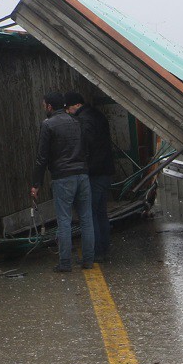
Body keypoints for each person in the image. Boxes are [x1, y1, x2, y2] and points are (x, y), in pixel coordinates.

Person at [30, 93, 92, 272]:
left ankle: (65, 263)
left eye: (44, 105)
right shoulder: (77, 121)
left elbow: (41, 157)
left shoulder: (48, 125)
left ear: (49, 107)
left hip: (63, 177)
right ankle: (88, 260)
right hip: (82, 175)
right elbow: (86, 148)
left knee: (64, 220)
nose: (44, 108)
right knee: (86, 219)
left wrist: (36, 184)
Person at [66, 92, 116, 264]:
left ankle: (96, 252)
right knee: (101, 212)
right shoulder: (98, 115)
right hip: (106, 170)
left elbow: (86, 144)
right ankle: (105, 249)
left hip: (94, 172)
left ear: (76, 105)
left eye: (69, 108)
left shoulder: (84, 120)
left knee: (90, 213)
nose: (68, 112)